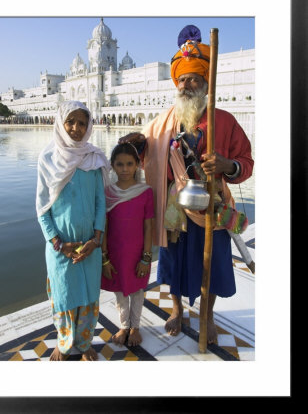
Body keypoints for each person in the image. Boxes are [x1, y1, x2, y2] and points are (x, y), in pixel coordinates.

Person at [119, 25, 254, 344]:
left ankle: (206, 315)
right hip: (174, 209)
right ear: (176, 84)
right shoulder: (163, 122)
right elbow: (140, 154)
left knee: (213, 265)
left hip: (212, 206)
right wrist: (134, 147)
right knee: (173, 265)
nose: (187, 84)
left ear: (206, 83)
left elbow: (246, 162)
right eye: (182, 79)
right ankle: (177, 310)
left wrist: (227, 165)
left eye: (195, 78)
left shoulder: (224, 121)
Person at [36, 100, 110, 361]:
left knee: (89, 296)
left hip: (90, 245)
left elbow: (101, 202)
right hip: (60, 247)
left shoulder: (94, 158)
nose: (76, 128)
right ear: (61, 122)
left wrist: (97, 239)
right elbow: (42, 208)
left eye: (82, 123)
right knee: (64, 296)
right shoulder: (48, 160)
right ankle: (64, 342)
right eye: (71, 122)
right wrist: (58, 242)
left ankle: (84, 342)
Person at [101, 143, 154, 346]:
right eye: (120, 164)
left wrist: (146, 257)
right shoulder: (108, 192)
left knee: (137, 290)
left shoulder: (145, 192)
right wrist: (104, 258)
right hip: (115, 253)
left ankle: (135, 327)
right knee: (120, 291)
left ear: (137, 165)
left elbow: (148, 227)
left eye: (129, 164)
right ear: (112, 166)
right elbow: (104, 227)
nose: (125, 169)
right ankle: (124, 325)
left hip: (138, 253)